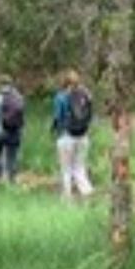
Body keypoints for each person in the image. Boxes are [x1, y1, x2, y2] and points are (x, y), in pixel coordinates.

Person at [52, 70, 95, 198]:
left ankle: (67, 198)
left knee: (66, 170)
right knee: (80, 168)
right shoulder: (85, 94)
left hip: (66, 136)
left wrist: (55, 130)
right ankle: (88, 193)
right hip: (83, 135)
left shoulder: (60, 97)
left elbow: (57, 117)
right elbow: (90, 115)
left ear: (64, 82)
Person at [0, 75, 26, 182]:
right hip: (14, 131)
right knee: (12, 157)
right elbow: (22, 115)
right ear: (11, 84)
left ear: (0, 84)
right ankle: (12, 180)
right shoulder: (19, 97)